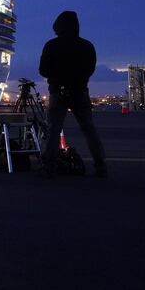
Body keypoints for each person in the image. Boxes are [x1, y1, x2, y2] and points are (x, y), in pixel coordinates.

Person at [39, 11, 107, 177]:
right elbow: (90, 69)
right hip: (80, 92)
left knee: (54, 129)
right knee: (89, 129)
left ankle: (50, 166)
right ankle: (100, 166)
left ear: (58, 26)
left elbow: (43, 70)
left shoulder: (51, 45)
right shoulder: (87, 46)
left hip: (58, 92)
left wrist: (57, 76)